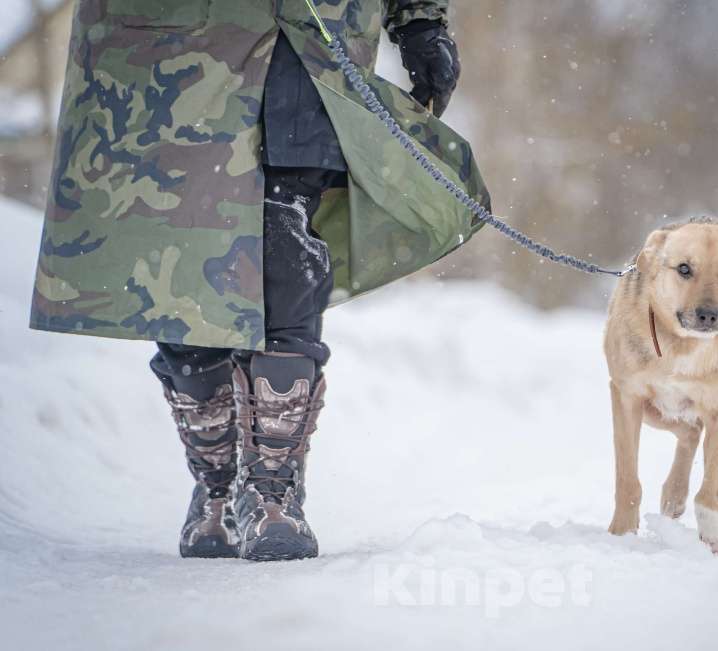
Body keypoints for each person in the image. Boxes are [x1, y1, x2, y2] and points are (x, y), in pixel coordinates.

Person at [30, 1, 490, 562]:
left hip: (308, 42)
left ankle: (272, 490)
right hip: (169, 42)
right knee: (181, 257)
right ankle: (217, 486)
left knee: (285, 253)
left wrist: (419, 19)